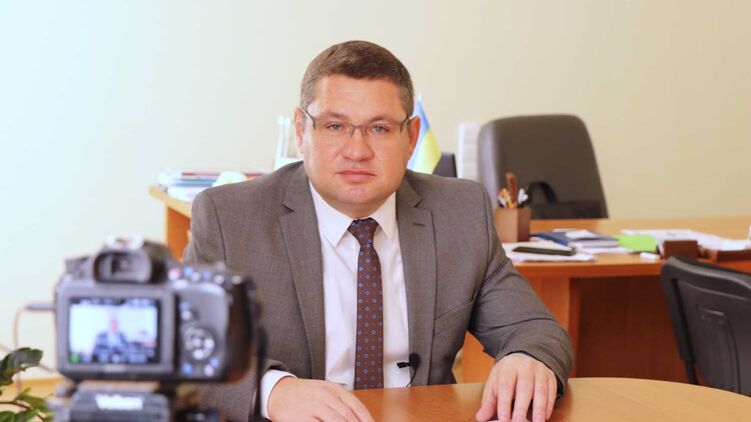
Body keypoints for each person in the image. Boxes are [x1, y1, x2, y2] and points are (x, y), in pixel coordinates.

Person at [184, 40, 573, 422]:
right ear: (301, 130)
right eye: (335, 126)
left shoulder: (459, 211)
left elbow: (533, 328)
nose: (357, 151)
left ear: (411, 137)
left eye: (380, 128)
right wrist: (274, 391)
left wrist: (528, 358)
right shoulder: (230, 218)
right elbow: (186, 344)